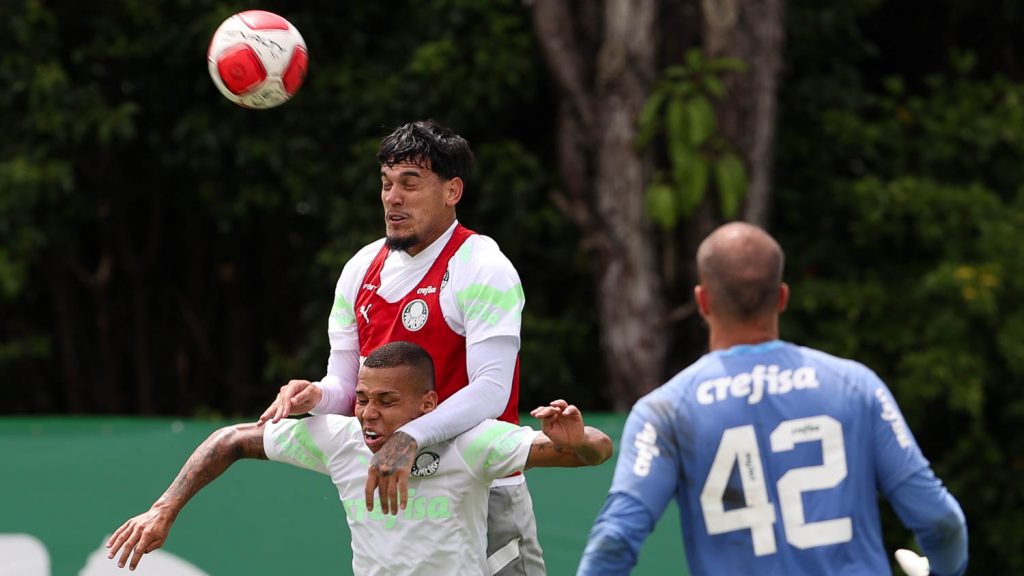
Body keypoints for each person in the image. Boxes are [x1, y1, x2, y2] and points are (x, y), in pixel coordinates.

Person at [576, 222, 968, 576]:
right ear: (782, 297)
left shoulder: (664, 411)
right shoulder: (855, 385)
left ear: (703, 301)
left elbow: (615, 539)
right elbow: (940, 521)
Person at [256, 120, 542, 573]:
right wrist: (316, 397)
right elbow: (346, 388)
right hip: (396, 487)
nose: (393, 197)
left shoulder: (483, 265)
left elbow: (492, 390)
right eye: (387, 184)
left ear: (452, 191)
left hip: (482, 492)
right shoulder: (359, 269)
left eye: (410, 183)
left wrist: (410, 436)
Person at [107, 341, 612, 575]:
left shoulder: (471, 442)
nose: (369, 414)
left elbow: (592, 453)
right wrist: (164, 507)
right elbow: (232, 440)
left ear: (428, 404)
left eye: (387, 402)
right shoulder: (342, 438)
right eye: (364, 398)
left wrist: (577, 437)